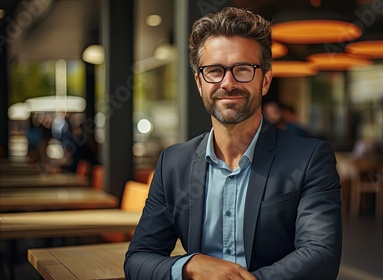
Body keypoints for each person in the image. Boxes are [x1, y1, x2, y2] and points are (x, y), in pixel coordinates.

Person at [125, 7, 342, 280]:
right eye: (214, 71)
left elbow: (321, 256)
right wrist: (191, 266)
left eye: (243, 69)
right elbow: (138, 259)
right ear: (199, 83)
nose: (227, 83)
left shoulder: (310, 159)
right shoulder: (173, 163)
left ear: (265, 81)